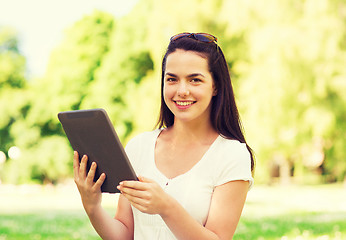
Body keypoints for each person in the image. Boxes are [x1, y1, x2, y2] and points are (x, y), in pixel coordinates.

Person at [73, 32, 255, 240]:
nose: (182, 90)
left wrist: (166, 207)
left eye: (195, 80)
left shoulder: (231, 154)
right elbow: (124, 234)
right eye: (172, 79)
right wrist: (92, 206)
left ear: (215, 86)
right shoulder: (139, 146)